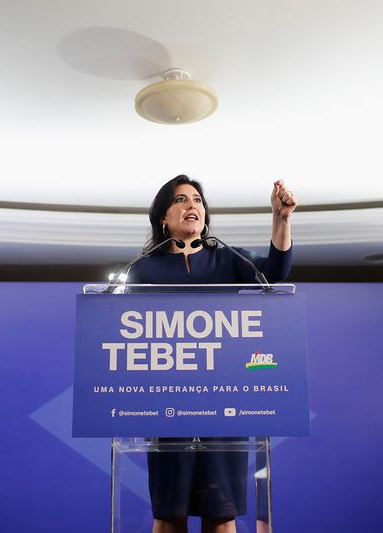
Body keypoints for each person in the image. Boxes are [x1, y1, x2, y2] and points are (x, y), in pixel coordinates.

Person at [127, 175, 298, 533]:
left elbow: (275, 274)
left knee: (221, 514)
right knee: (170, 514)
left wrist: (281, 219)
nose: (192, 206)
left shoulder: (228, 259)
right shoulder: (142, 270)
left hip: (224, 405)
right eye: (181, 200)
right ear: (163, 217)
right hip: (168, 406)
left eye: (198, 200)